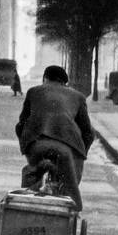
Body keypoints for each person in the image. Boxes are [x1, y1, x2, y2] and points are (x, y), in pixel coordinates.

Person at [14, 65, 94, 212]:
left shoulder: (33, 92)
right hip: (65, 151)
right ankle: (70, 211)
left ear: (45, 79)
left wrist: (27, 149)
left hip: (37, 146)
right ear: (65, 83)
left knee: (32, 173)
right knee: (71, 187)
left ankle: (26, 205)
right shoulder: (78, 97)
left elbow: (21, 125)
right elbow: (88, 132)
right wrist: (80, 155)